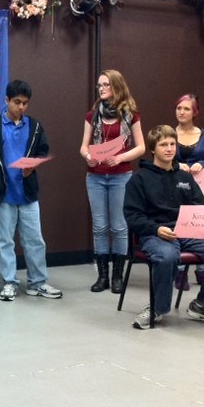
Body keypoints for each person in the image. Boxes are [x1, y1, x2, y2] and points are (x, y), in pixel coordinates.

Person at [123, 125, 204, 329]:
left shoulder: (185, 177)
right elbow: (132, 216)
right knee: (167, 256)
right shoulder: (139, 179)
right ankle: (157, 308)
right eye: (163, 145)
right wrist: (155, 229)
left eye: (172, 144)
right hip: (156, 233)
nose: (169, 148)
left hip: (189, 232)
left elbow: (200, 207)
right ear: (153, 149)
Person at [0, 79, 62, 301]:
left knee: (35, 240)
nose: (21, 107)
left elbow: (42, 153)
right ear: (6, 100)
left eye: (25, 103)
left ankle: (37, 282)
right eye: (17, 102)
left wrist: (32, 167)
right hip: (1, 193)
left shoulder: (34, 126)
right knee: (5, 241)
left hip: (27, 193)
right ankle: (10, 283)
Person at [79, 69, 145, 294]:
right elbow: (83, 147)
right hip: (95, 176)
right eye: (99, 85)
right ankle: (102, 276)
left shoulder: (131, 114)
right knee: (99, 226)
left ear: (117, 86)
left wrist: (119, 157)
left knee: (119, 226)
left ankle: (118, 276)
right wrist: (89, 157)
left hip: (121, 176)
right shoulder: (92, 115)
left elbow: (141, 147)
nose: (101, 88)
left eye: (106, 84)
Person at [173, 93, 204, 290]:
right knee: (179, 227)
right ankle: (180, 271)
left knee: (200, 228)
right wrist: (177, 165)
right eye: (179, 108)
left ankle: (201, 269)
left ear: (195, 112)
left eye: (186, 109)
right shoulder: (168, 133)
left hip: (198, 189)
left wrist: (203, 163)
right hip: (175, 189)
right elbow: (158, 162)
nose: (182, 112)